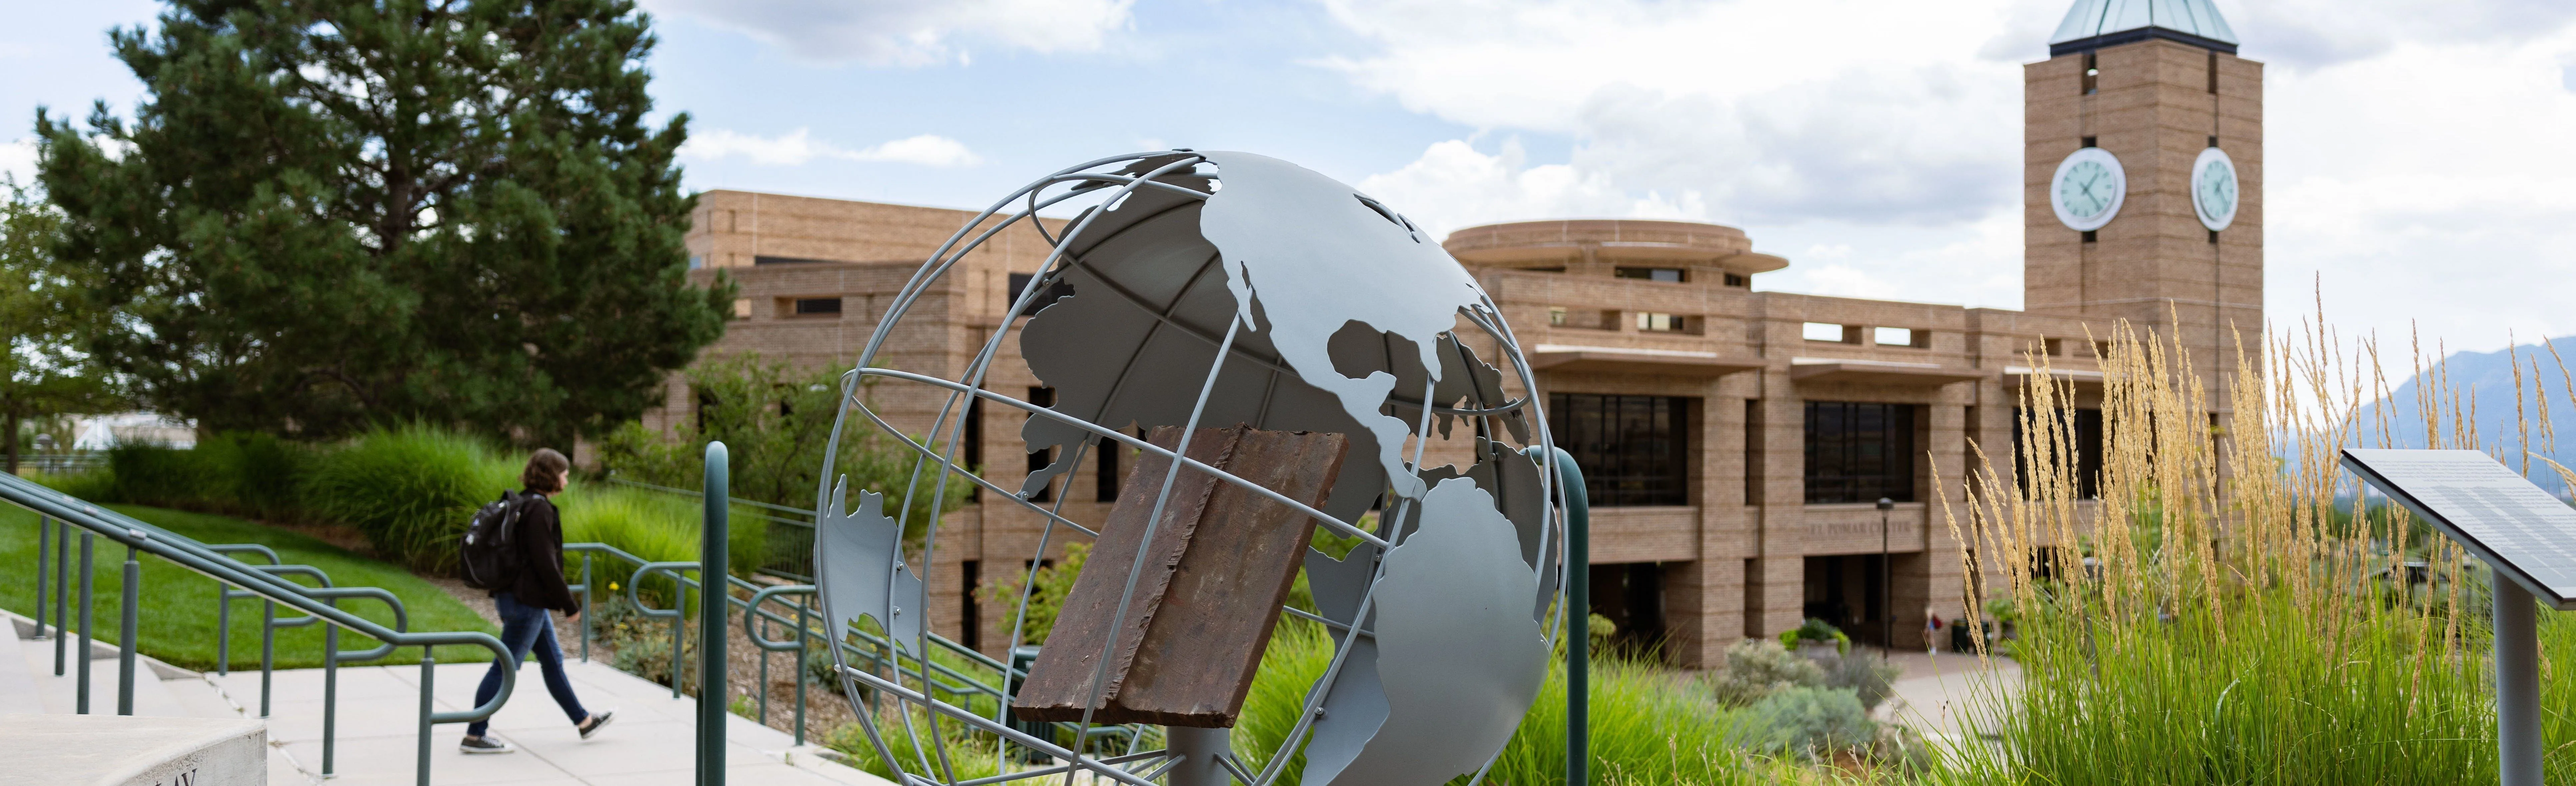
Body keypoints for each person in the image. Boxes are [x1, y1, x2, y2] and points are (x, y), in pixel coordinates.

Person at [460, 448, 614, 753]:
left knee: (553, 661)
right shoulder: (539, 510)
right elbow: (546, 563)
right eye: (565, 473)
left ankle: (584, 721)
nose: (567, 479)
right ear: (552, 475)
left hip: (520, 600)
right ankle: (475, 735)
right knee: (504, 667)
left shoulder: (522, 504)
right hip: (525, 603)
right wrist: (570, 604)